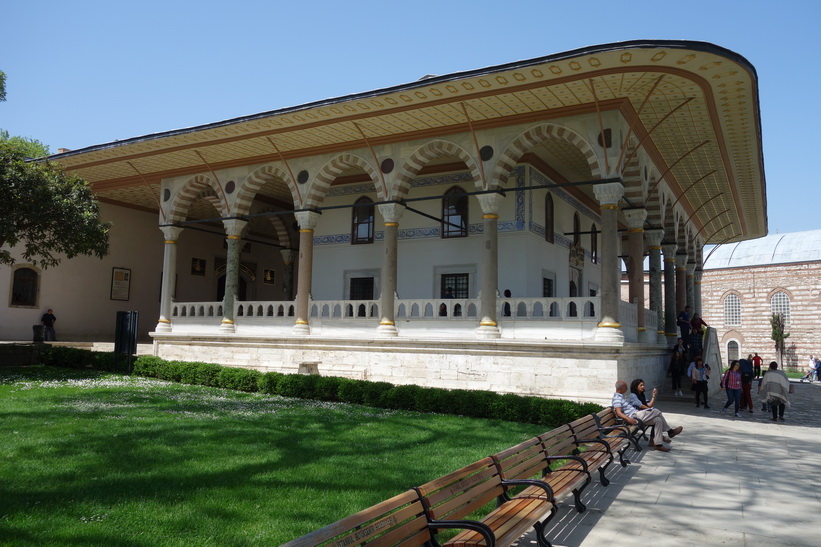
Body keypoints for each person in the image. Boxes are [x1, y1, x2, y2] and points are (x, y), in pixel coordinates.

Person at [612, 380, 683, 452]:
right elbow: (619, 412)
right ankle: (670, 431)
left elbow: (648, 405)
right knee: (656, 411)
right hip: (634, 416)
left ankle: (659, 445)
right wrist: (628, 419)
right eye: (625, 387)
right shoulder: (617, 398)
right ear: (621, 388)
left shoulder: (621, 396)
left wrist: (653, 397)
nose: (627, 389)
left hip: (637, 414)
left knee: (658, 420)